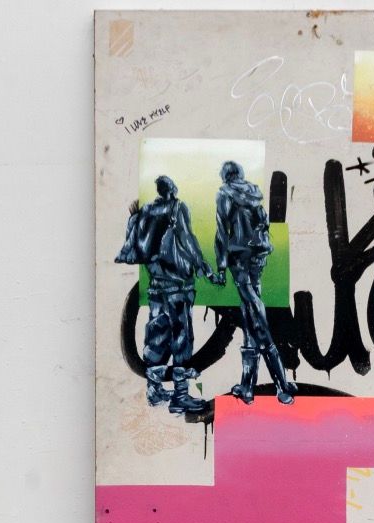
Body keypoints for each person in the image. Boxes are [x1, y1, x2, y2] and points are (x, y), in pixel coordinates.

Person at [115, 175, 223, 415]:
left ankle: (154, 390)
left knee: (156, 336)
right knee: (182, 339)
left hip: (156, 285)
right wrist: (204, 267)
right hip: (178, 285)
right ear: (172, 190)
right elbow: (188, 239)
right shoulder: (177, 207)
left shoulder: (146, 211)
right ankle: (180, 396)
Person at [214, 161, 298, 405]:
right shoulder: (253, 193)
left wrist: (221, 267)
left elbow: (222, 232)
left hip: (239, 259)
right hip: (257, 259)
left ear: (225, 176)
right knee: (250, 315)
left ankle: (282, 386)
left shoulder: (224, 194)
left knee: (256, 318)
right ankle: (247, 387)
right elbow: (264, 222)